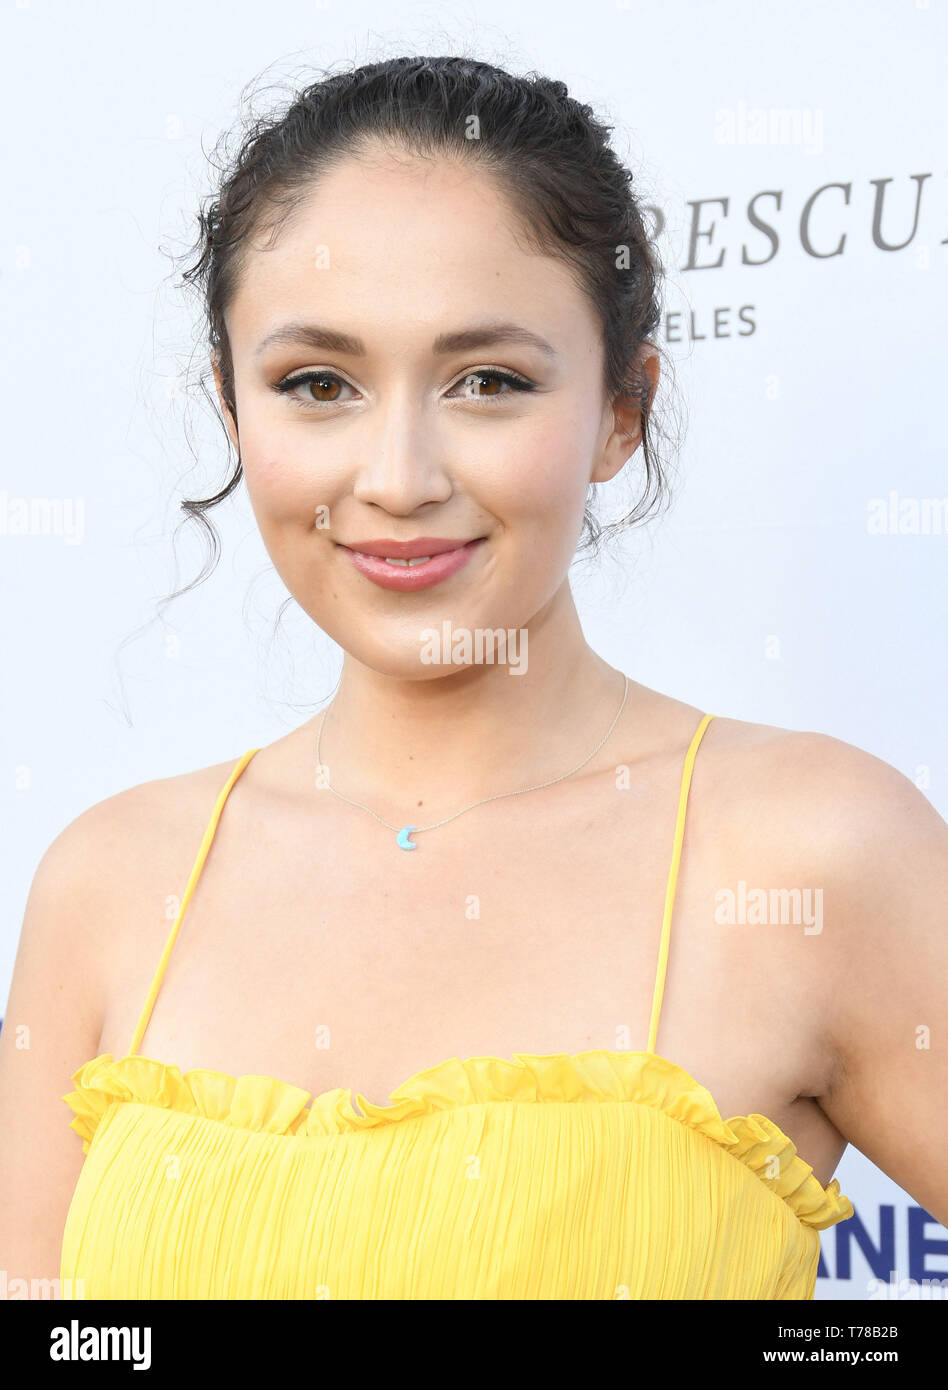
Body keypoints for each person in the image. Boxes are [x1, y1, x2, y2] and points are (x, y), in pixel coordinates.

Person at [1, 55, 946, 1301]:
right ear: (235, 417)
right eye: (317, 385)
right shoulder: (110, 882)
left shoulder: (813, 850)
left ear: (622, 412)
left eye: (488, 381)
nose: (398, 475)